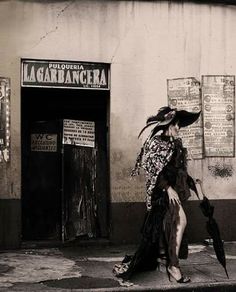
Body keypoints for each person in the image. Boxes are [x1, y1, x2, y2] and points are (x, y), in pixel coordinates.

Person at [113, 106, 201, 283]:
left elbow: (179, 171)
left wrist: (193, 184)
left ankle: (171, 262)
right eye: (176, 125)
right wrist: (167, 188)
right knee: (180, 220)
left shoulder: (175, 145)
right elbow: (152, 170)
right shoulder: (155, 143)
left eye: (179, 125)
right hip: (160, 192)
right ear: (168, 125)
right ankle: (173, 266)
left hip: (173, 192)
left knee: (172, 225)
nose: (179, 128)